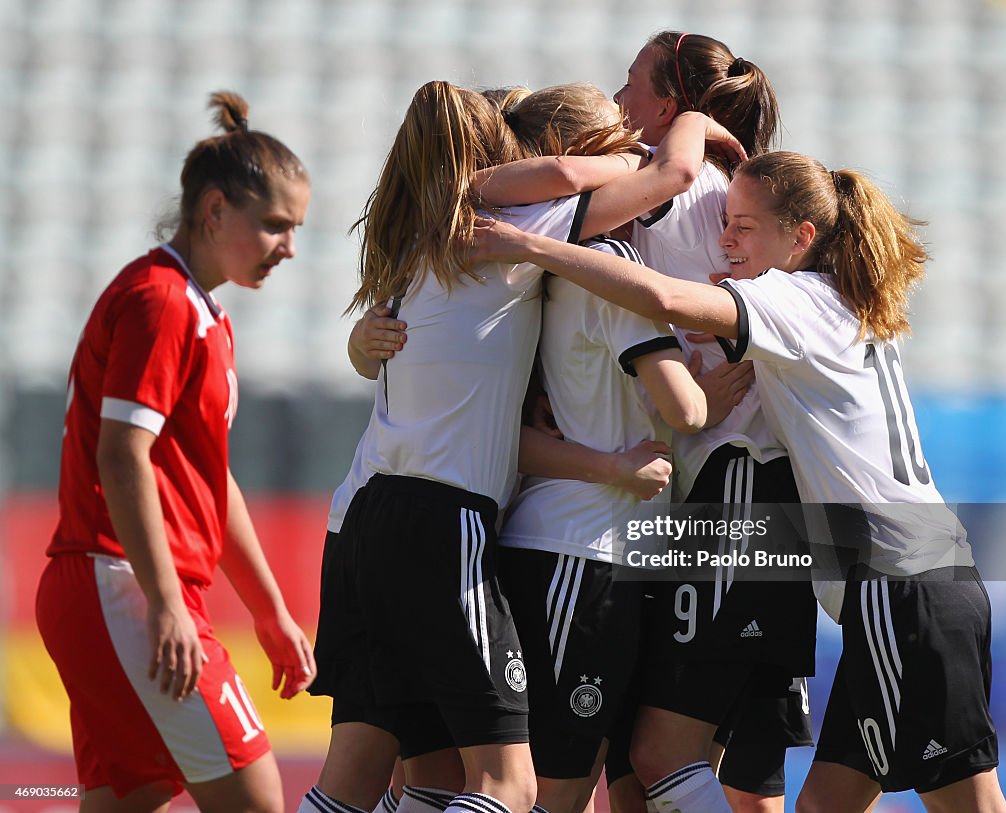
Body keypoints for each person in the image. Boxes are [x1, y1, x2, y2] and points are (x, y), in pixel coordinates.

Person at [470, 149, 1006, 813]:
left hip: (900, 586)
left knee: (964, 805)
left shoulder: (793, 298)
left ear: (801, 237)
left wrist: (530, 243)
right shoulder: (849, 299)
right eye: (725, 222)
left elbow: (663, 298)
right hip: (930, 575)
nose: (725, 241)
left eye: (745, 226)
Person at [474, 33, 816, 813]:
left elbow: (549, 185)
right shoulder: (737, 194)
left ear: (669, 107)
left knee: (656, 759)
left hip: (722, 496)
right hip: (707, 503)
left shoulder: (658, 187)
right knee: (671, 767)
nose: (620, 100)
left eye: (632, 85)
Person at [300, 80, 596, 813]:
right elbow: (637, 179)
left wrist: (358, 345)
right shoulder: (505, 237)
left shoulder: (408, 241)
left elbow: (380, 354)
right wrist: (663, 142)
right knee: (507, 783)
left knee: (393, 776)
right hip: (441, 518)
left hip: (360, 519)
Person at [34, 91, 316, 813]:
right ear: (216, 210)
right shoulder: (161, 301)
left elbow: (209, 481)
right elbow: (121, 455)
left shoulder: (201, 312)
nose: (289, 247)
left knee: (137, 797)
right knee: (257, 799)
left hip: (117, 588)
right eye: (277, 226)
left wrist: (270, 610)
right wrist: (163, 602)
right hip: (119, 583)